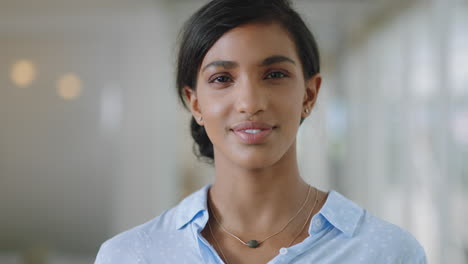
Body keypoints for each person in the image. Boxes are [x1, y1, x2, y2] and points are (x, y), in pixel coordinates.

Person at [94, 0, 427, 263]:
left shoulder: (388, 253)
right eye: (222, 79)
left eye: (274, 74)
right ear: (194, 104)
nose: (250, 103)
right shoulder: (131, 256)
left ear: (309, 95)